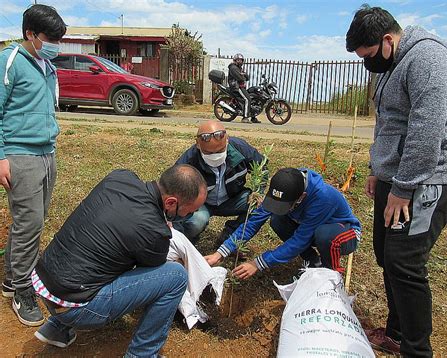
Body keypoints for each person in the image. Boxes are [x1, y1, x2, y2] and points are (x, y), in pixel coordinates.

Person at [346, 5, 447, 357]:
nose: (368, 63)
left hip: (429, 179)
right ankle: (397, 332)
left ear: (387, 40)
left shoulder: (426, 59)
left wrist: (403, 189)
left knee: (405, 262)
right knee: (387, 255)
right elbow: (388, 122)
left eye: (369, 55)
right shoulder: (392, 63)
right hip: (396, 176)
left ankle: (416, 350)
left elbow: (425, 133)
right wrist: (377, 169)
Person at [32, 165, 207, 357]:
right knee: (176, 276)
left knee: (105, 250)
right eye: (189, 212)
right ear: (171, 203)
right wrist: (162, 229)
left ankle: (56, 328)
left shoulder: (120, 176)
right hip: (76, 309)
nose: (188, 216)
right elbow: (148, 272)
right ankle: (142, 354)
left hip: (45, 283)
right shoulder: (154, 232)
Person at [0, 4, 66, 326]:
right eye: (50, 37)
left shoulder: (46, 65)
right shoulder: (9, 60)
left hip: (46, 153)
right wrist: (1, 156)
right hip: (20, 154)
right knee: (29, 224)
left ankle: (11, 279)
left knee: (31, 222)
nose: (56, 43)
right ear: (30, 34)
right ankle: (23, 290)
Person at [205, 168, 361, 279]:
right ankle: (313, 260)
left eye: (286, 205)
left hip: (344, 233)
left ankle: (330, 274)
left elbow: (300, 240)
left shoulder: (323, 198)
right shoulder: (283, 184)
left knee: (325, 235)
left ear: (302, 197)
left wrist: (258, 263)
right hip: (311, 228)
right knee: (278, 220)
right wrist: (221, 252)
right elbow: (253, 222)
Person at [175, 120, 266, 245]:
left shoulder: (241, 149)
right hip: (201, 203)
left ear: (227, 139)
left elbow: (261, 167)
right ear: (198, 144)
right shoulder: (189, 160)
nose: (215, 156)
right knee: (196, 221)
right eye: (208, 153)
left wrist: (258, 192)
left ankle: (230, 238)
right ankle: (187, 242)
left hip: (232, 199)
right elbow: (174, 184)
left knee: (259, 206)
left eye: (220, 151)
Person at [228, 53, 260, 124]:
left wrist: (244, 75)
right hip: (236, 87)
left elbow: (247, 78)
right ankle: (245, 118)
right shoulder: (233, 68)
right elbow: (239, 78)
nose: (240, 62)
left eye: (241, 60)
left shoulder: (239, 68)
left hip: (240, 86)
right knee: (247, 99)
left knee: (252, 98)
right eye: (238, 60)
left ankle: (253, 117)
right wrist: (242, 76)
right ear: (235, 60)